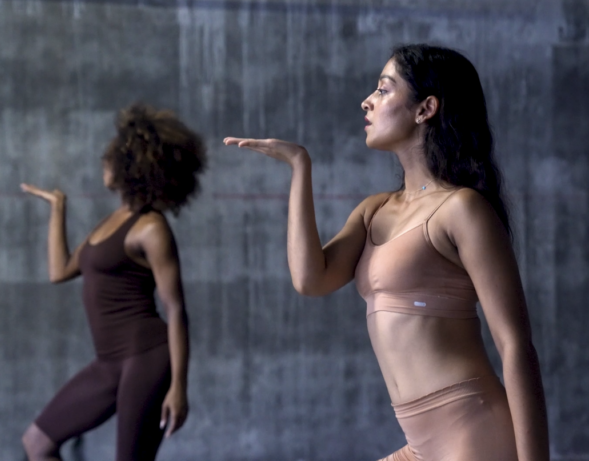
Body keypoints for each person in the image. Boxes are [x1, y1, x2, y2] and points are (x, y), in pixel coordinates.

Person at [223, 44, 549, 461]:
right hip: (420, 444)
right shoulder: (375, 209)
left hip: (471, 432)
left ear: (425, 108)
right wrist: (299, 166)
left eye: (383, 89)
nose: (367, 100)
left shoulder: (462, 210)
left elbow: (516, 344)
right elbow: (310, 279)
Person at [20, 103, 206, 461]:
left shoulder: (151, 228)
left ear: (132, 166)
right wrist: (58, 207)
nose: (103, 165)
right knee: (37, 443)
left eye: (110, 159)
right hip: (109, 363)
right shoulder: (112, 220)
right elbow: (59, 271)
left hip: (147, 359)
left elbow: (176, 310)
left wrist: (179, 387)